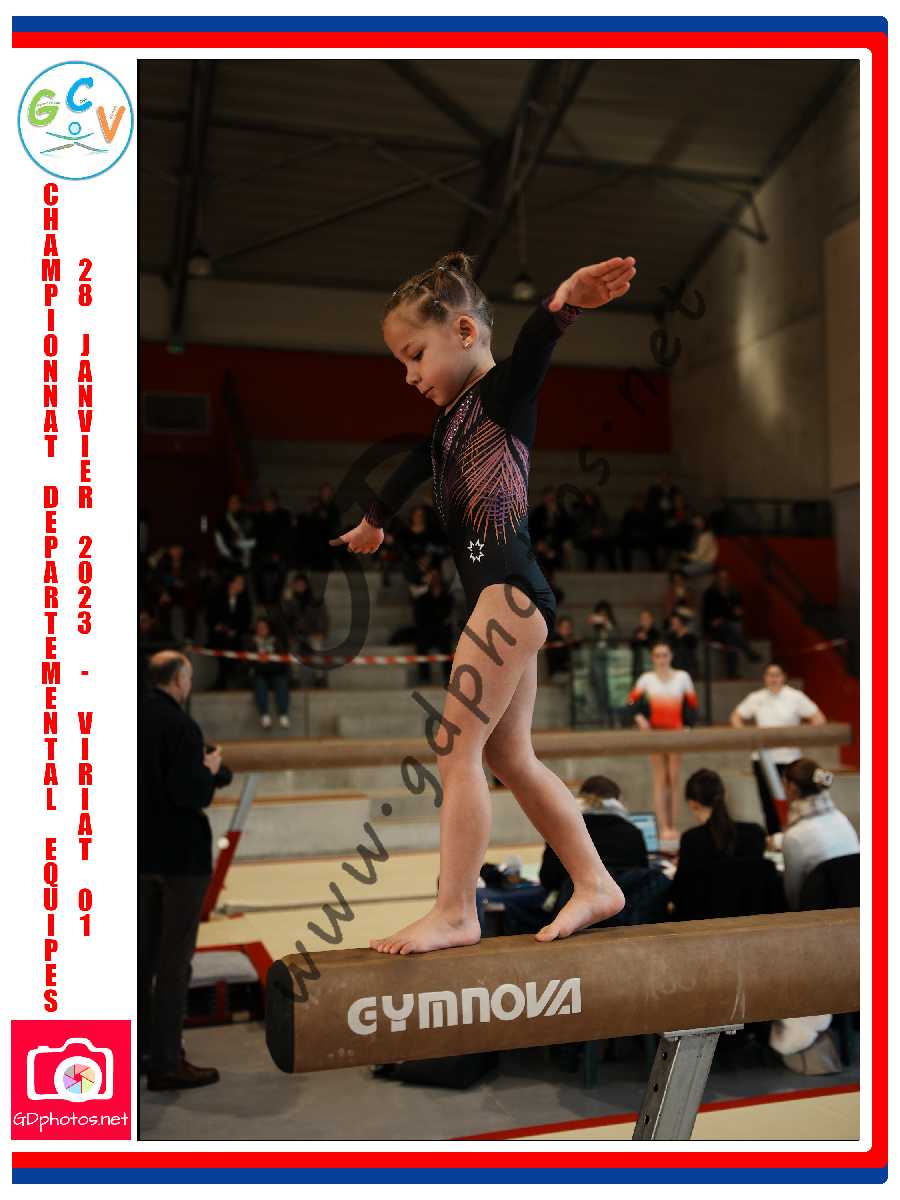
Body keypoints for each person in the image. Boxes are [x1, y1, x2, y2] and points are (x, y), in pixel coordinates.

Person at [330, 250, 638, 952]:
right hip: (507, 598)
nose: (410, 375)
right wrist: (376, 519)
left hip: (507, 593)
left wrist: (563, 304)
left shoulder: (501, 395)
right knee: (509, 757)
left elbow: (532, 352)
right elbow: (414, 465)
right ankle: (596, 883)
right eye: (401, 364)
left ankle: (455, 910)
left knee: (454, 747)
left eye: (415, 355)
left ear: (465, 332)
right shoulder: (449, 423)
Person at [139, 651, 231, 1090]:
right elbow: (191, 794)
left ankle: (139, 1050)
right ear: (178, 680)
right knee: (174, 963)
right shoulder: (181, 726)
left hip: (140, 855)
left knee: (141, 959)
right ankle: (167, 1061)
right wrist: (210, 771)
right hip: (179, 860)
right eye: (189, 677)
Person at [730, 664, 826, 834]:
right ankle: (774, 837)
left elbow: (818, 719)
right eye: (770, 675)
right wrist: (748, 737)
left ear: (784, 677)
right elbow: (736, 717)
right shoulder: (756, 697)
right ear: (764, 678)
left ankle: (796, 834)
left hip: (790, 759)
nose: (773, 679)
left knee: (794, 802)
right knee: (768, 804)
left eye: (777, 675)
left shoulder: (795, 696)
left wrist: (798, 736)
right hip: (763, 758)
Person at [667, 768, 771, 921]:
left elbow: (680, 895)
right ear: (725, 795)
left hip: (704, 926)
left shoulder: (692, 840)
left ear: (692, 804)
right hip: (753, 923)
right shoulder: (755, 833)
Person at [628, 641, 698, 845]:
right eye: (657, 655)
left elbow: (693, 705)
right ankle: (663, 827)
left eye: (664, 655)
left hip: (676, 732)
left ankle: (673, 826)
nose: (661, 659)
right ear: (653, 658)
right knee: (660, 779)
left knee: (673, 779)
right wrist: (640, 719)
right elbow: (631, 702)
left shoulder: (682, 677)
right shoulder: (647, 678)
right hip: (655, 733)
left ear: (671, 656)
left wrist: (688, 726)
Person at [779, 759, 859, 910]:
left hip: (817, 915)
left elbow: (793, 897)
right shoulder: (841, 818)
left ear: (793, 788)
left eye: (784, 785)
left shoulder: (794, 837)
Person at [702, 567, 762, 678]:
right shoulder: (710, 594)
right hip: (715, 629)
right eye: (721, 578)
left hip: (730, 627)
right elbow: (707, 615)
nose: (723, 581)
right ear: (716, 579)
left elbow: (738, 613)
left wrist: (730, 615)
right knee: (732, 629)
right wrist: (714, 622)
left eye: (725, 578)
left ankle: (733, 672)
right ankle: (747, 650)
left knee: (732, 636)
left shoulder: (734, 593)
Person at [205, 572, 252, 690]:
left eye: (243, 583)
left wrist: (236, 630)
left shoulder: (244, 600)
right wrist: (218, 626)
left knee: (232, 645)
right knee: (224, 645)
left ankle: (225, 680)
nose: (242, 586)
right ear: (231, 584)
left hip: (237, 636)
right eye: (239, 583)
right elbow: (210, 617)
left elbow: (246, 620)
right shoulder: (218, 597)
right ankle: (224, 680)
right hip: (219, 635)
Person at [247, 615, 292, 728]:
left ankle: (283, 714)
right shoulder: (251, 642)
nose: (261, 630)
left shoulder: (275, 641)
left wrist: (268, 662)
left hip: (275, 672)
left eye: (264, 627)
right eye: (259, 627)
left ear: (268, 629)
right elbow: (248, 661)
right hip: (259, 674)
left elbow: (281, 659)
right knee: (260, 684)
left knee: (281, 682)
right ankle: (264, 715)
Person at [679, 513, 718, 578]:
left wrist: (685, 555)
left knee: (680, 572)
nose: (695, 524)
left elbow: (697, 556)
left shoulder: (705, 536)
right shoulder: (696, 533)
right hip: (698, 560)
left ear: (704, 523)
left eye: (698, 522)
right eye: (694, 521)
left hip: (705, 563)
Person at [629, 608, 660, 679]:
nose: (644, 620)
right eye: (642, 618)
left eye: (646, 618)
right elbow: (631, 646)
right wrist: (637, 639)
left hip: (651, 666)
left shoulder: (656, 633)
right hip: (638, 666)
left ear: (652, 619)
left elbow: (657, 648)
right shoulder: (637, 631)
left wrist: (646, 639)